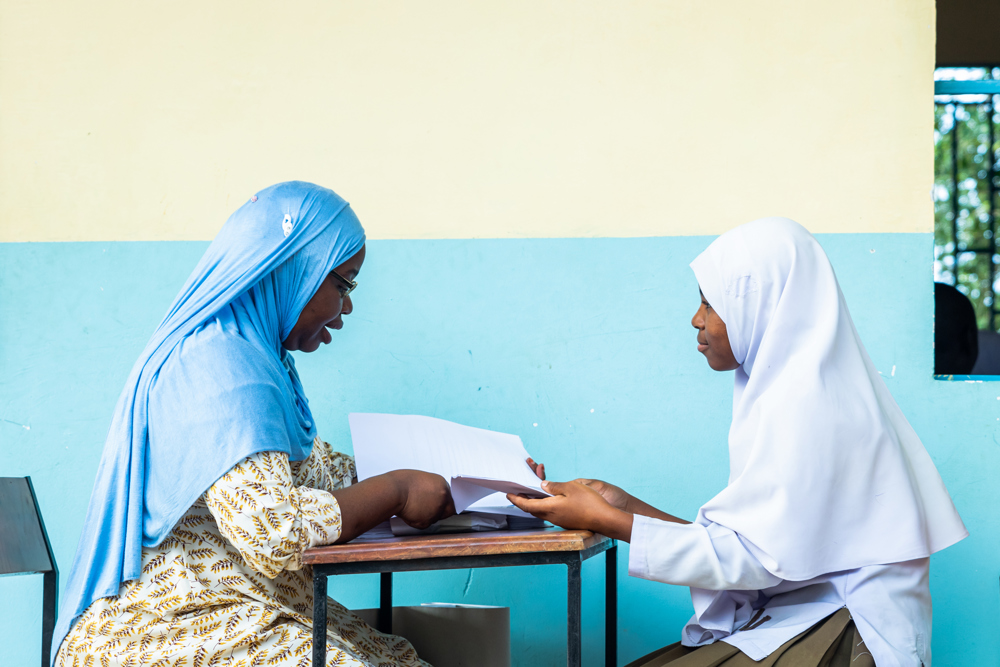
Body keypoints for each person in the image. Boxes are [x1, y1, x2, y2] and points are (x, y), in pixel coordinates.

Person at [509, 218, 968, 666]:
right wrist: (624, 505)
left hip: (848, 634)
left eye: (711, 304)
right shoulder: (794, 392)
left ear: (762, 306)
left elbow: (750, 561)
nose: (696, 319)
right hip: (806, 618)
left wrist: (608, 520)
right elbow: (756, 548)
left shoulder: (808, 407)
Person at [54, 182, 458, 667]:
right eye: (343, 284)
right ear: (294, 268)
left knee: (401, 660)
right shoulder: (219, 365)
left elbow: (315, 476)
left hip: (243, 606)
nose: (347, 307)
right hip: (167, 627)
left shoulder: (259, 358)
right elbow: (273, 531)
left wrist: (461, 480)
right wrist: (395, 490)